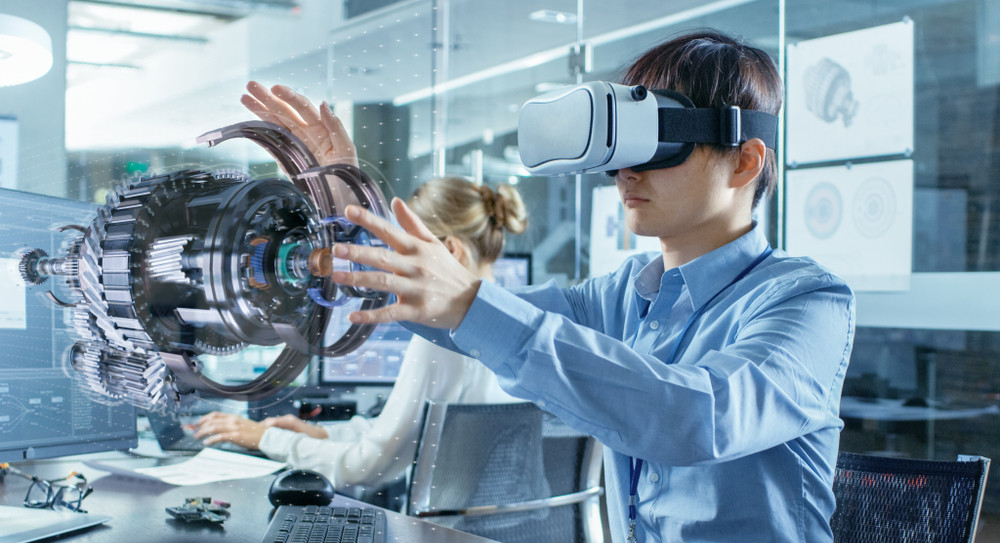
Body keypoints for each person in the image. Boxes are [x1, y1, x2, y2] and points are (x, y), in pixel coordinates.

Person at [222, 28, 856, 542]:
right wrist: (345, 203)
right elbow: (441, 309)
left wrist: (468, 302)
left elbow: (698, 417)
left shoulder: (807, 301)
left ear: (745, 160)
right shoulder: (622, 296)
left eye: (658, 141)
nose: (623, 172)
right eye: (619, 145)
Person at [194, 175, 529, 491]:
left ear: (451, 250)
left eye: (408, 252)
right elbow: (403, 436)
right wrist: (320, 433)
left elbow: (369, 466)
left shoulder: (446, 338)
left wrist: (263, 439)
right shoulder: (519, 323)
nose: (399, 268)